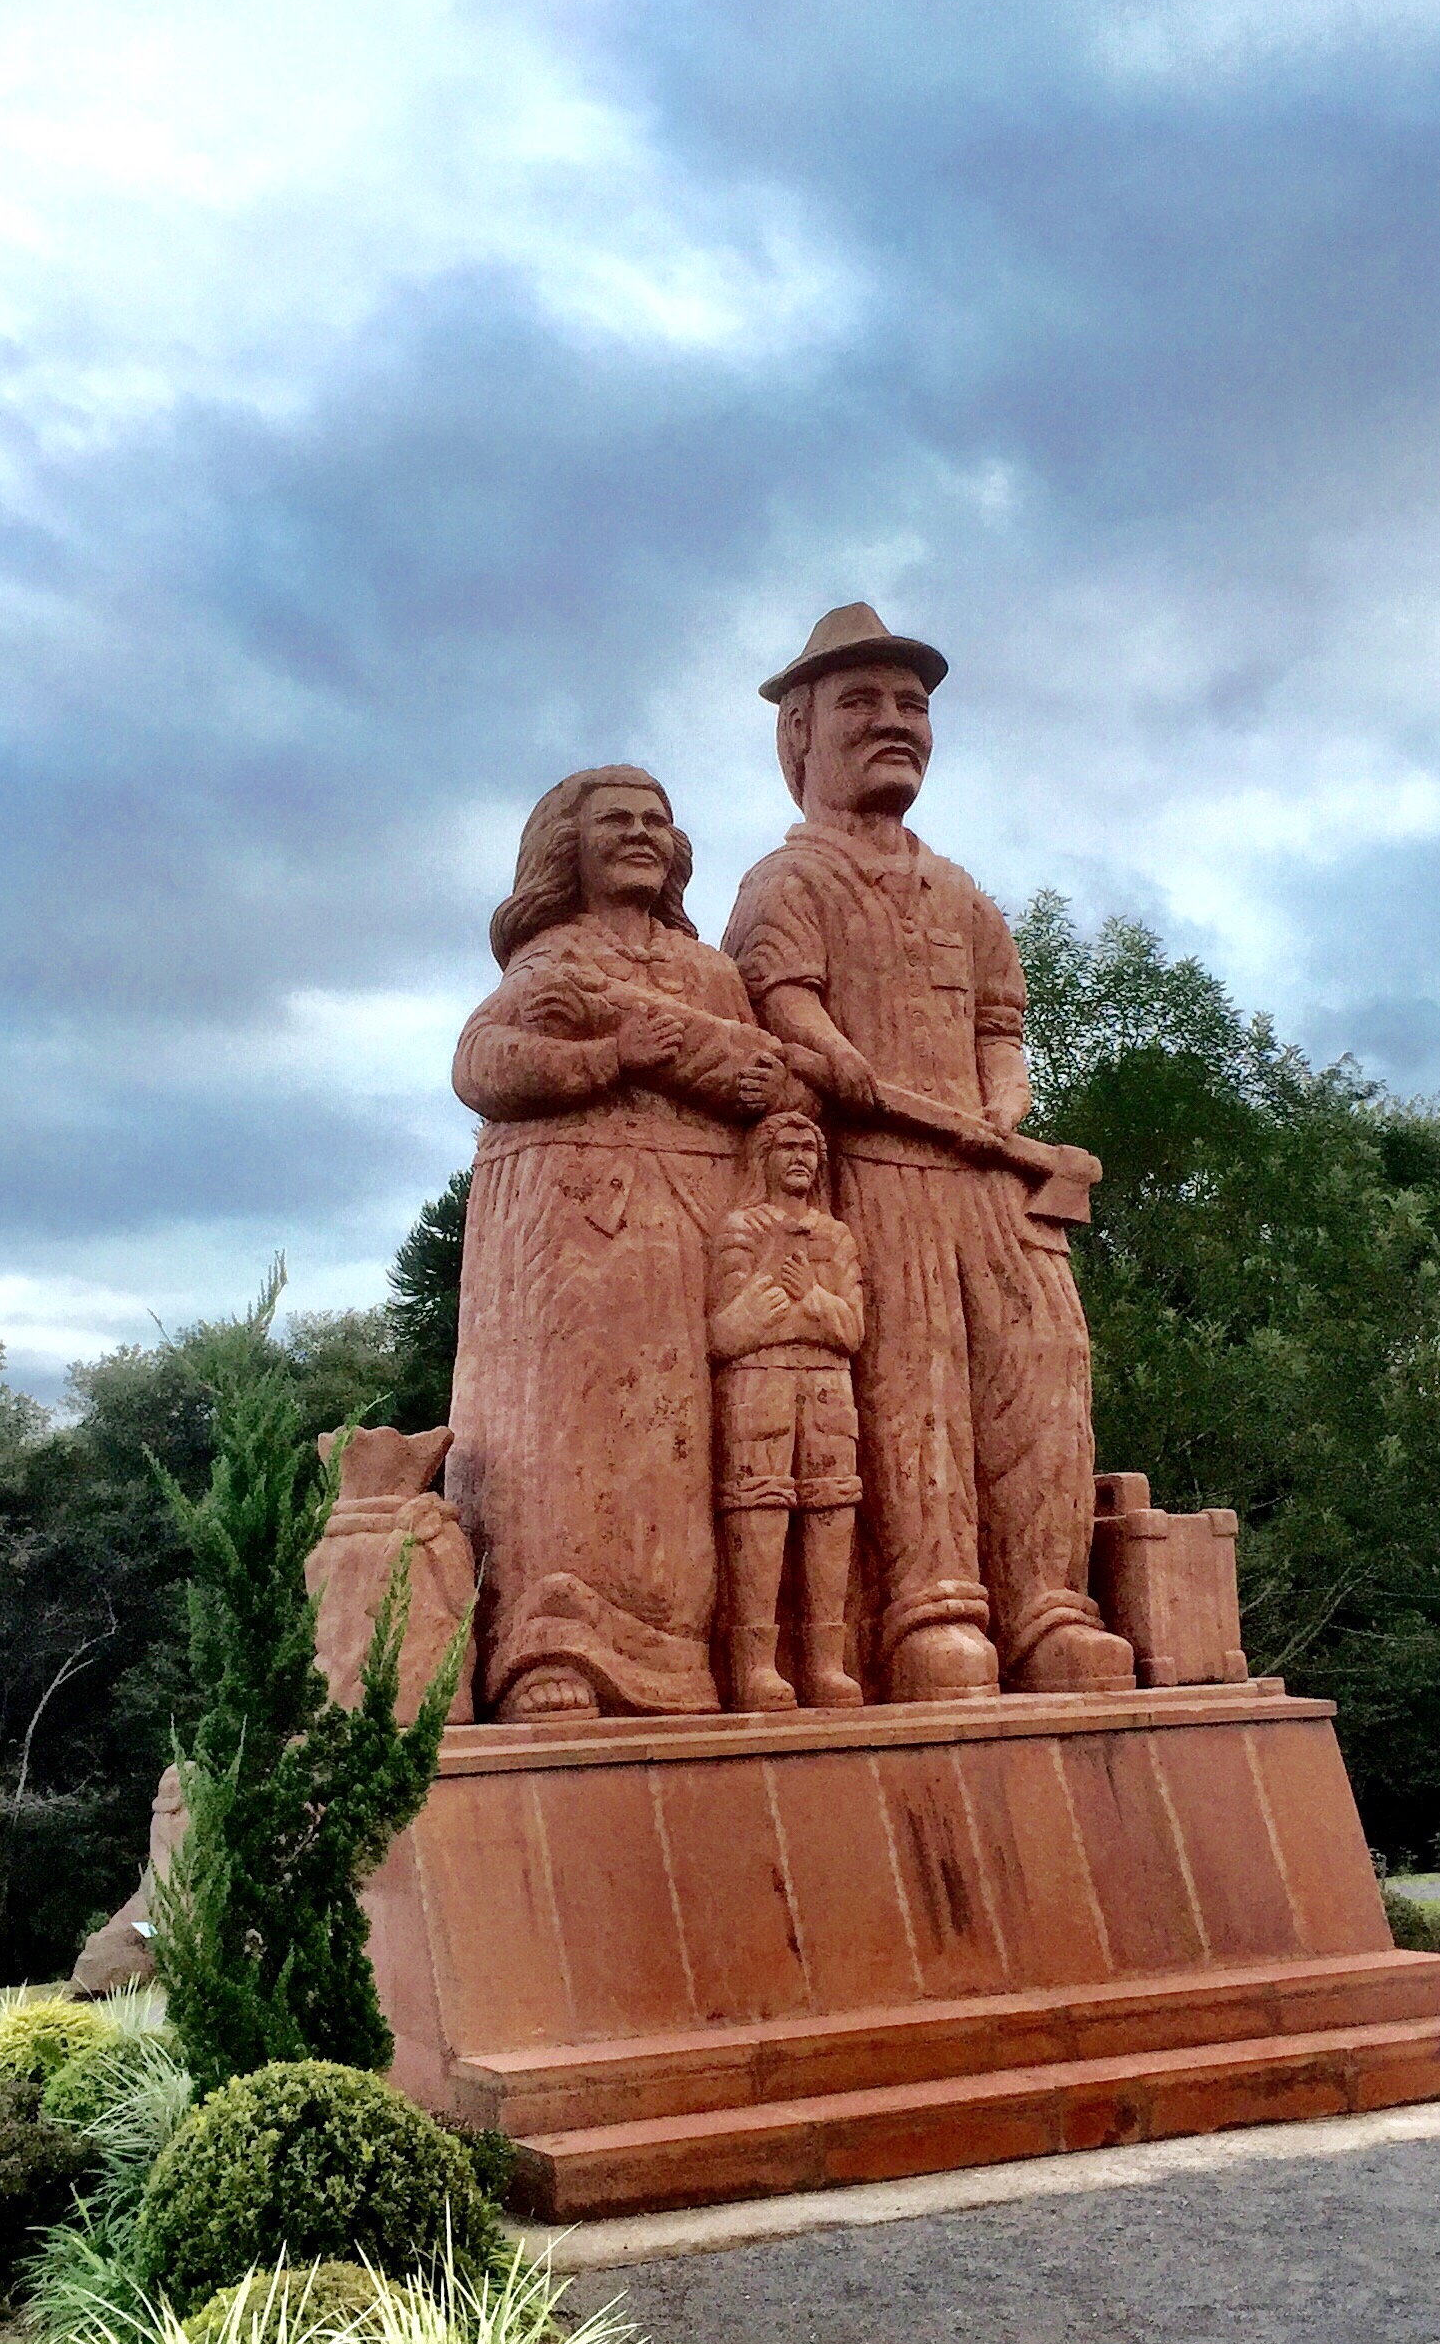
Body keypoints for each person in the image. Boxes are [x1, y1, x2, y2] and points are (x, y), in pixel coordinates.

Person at [724, 605, 1137, 1702]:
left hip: (989, 1179)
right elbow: (784, 1007)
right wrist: (838, 1061)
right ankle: (934, 1615)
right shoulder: (786, 885)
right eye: (861, 702)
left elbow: (1002, 1031)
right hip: (876, 1177)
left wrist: (1005, 1118)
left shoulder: (962, 896)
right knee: (916, 1386)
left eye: (912, 704)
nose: (894, 722)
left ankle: (1049, 1609)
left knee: (1042, 1376)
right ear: (798, 735)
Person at [444, 766, 789, 1719]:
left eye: (657, 821)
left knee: (680, 1441)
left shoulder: (710, 973)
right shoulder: (549, 960)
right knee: (571, 1426)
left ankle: (689, 1659)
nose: (642, 834)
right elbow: (482, 1064)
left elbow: (763, 1080)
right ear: (569, 847)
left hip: (694, 1224)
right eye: (616, 822)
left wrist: (665, 1045)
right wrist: (618, 1056)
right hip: (571, 1227)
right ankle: (549, 1650)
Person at [707, 1110, 868, 1711]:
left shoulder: (835, 1237)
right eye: (788, 1147)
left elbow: (852, 1330)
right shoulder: (740, 1231)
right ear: (763, 1158)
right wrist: (777, 1314)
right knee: (759, 1504)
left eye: (810, 1147)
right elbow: (726, 1331)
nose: (801, 1157)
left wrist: (812, 1300)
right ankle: (755, 1666)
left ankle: (825, 1663)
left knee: (832, 1502)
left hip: (829, 1382)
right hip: (757, 1381)